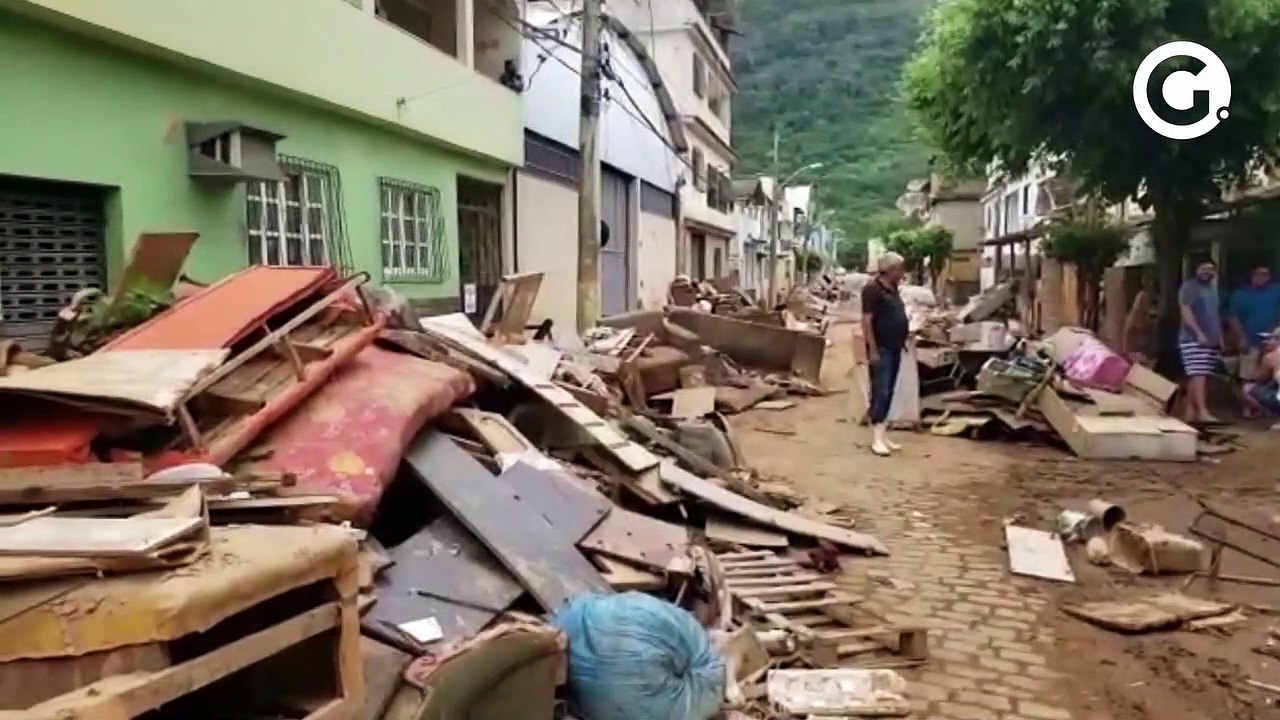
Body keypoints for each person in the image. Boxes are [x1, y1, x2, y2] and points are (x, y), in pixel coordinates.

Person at [860, 252, 909, 456]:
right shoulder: (872, 289)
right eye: (899, 268)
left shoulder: (893, 288)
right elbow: (866, 321)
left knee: (889, 390)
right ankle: (876, 438)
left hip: (894, 346)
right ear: (889, 270)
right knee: (881, 391)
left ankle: (883, 433)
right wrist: (872, 349)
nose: (902, 272)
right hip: (881, 348)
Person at [1227, 266, 1280, 416]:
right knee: (1248, 374)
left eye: (1265, 274)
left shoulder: (1276, 291)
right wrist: (1241, 337)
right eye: (1259, 274)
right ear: (1252, 275)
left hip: (1273, 340)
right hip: (1249, 340)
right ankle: (1248, 408)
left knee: (1272, 372)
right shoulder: (1241, 294)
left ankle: (1269, 408)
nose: (1262, 277)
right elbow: (1233, 318)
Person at [1178, 259, 1223, 423]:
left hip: (1211, 339)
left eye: (1211, 269)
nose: (1207, 271)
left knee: (1196, 375)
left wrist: (1219, 338)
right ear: (1196, 269)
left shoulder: (1212, 289)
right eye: (1203, 268)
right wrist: (1198, 333)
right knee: (1199, 374)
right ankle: (1203, 412)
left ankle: (1190, 412)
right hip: (1193, 339)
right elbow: (1186, 312)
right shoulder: (1189, 287)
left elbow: (1215, 315)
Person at [1241, 327, 1280, 427]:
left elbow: (1259, 377)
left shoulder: (1272, 356)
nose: (1267, 342)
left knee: (1248, 389)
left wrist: (1264, 356)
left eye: (1270, 339)